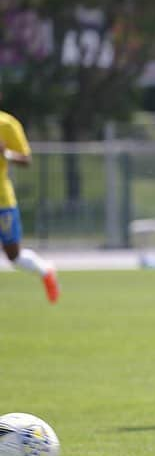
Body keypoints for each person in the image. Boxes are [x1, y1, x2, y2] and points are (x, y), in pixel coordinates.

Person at [0, 97, 59, 303]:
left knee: (13, 256)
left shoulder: (7, 124)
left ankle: (46, 270)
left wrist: (5, 153)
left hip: (2, 201)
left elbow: (26, 159)